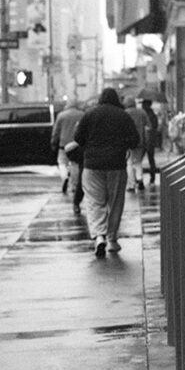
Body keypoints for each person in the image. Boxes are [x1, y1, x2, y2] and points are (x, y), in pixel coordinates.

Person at [72, 88, 141, 257]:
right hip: (116, 164)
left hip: (92, 165)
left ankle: (99, 237)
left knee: (95, 202)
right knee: (115, 201)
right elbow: (135, 140)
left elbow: (78, 138)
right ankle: (112, 240)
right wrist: (121, 144)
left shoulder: (90, 114)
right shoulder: (123, 115)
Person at [51, 99, 84, 194]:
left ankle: (65, 177)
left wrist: (53, 142)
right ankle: (75, 185)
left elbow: (56, 131)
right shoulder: (82, 114)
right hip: (76, 143)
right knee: (75, 164)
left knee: (62, 162)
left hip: (63, 143)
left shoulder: (61, 115)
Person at [124, 97, 149, 192]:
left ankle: (131, 184)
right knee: (138, 162)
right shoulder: (142, 112)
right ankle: (140, 179)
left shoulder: (125, 113)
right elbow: (148, 125)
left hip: (128, 142)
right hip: (140, 141)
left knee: (129, 163)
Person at [142, 99, 161, 184]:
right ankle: (152, 176)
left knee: (139, 160)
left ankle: (138, 178)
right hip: (151, 139)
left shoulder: (143, 114)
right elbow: (156, 127)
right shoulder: (153, 114)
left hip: (144, 139)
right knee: (151, 159)